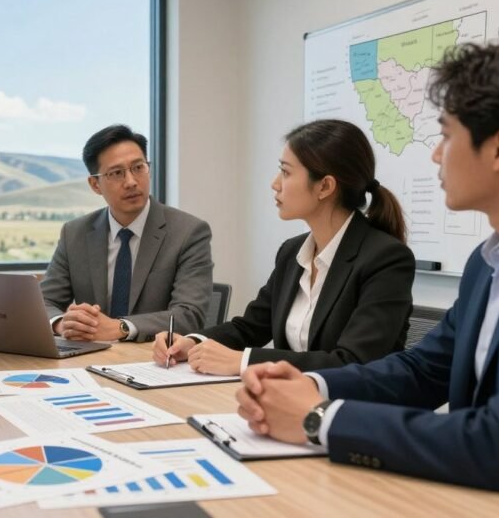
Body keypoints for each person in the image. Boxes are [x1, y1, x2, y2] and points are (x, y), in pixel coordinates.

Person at [235, 38, 499, 511]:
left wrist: (319, 419)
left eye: (446, 135)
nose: (434, 155)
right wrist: (314, 387)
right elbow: (423, 371)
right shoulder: (489, 260)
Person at [154, 119, 414, 375]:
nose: (275, 183)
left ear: (325, 186)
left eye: (286, 172)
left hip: (352, 410)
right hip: (292, 402)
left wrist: (245, 361)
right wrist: (193, 341)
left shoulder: (386, 259)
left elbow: (354, 361)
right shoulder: (292, 252)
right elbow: (251, 327)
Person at [40, 124, 213, 342]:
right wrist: (61, 323)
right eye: (116, 173)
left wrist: (121, 327)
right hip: (90, 358)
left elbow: (189, 314)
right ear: (95, 184)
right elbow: (43, 302)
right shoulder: (74, 233)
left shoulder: (189, 232)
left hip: (155, 361)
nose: (131, 182)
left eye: (138, 168)